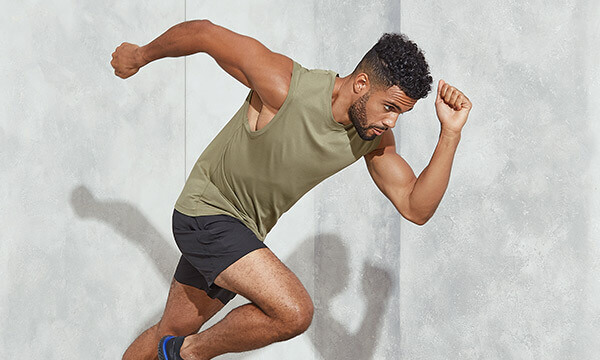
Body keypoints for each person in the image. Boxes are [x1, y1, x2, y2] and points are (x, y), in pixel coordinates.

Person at [111, 19, 471, 360]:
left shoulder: (371, 139)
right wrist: (140, 55)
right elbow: (205, 34)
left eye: (399, 114)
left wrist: (450, 133)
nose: (391, 121)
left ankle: (177, 348)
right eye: (389, 107)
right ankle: (188, 353)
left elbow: (415, 207)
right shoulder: (285, 86)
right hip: (206, 213)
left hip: (240, 234)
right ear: (361, 84)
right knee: (294, 311)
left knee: (169, 332)